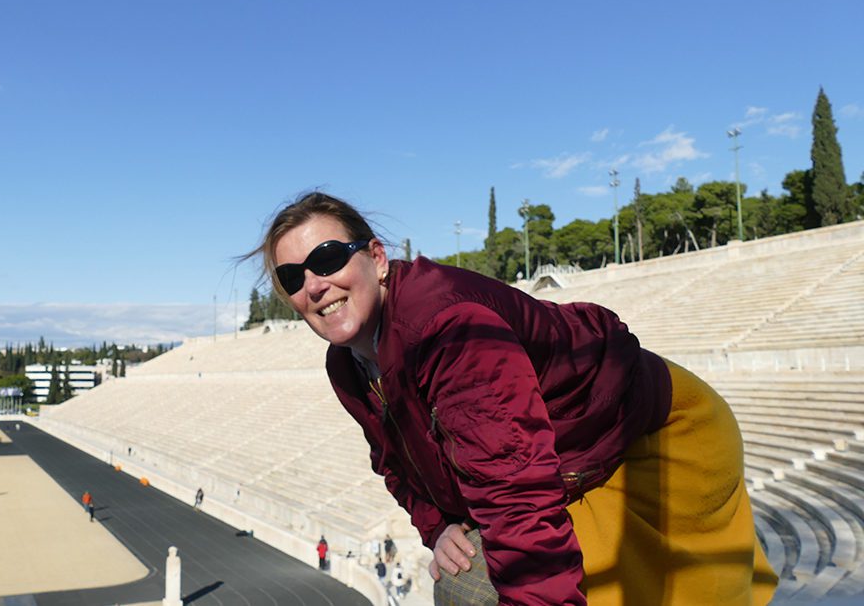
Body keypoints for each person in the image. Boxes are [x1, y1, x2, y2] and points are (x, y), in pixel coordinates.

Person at [254, 192, 778, 605]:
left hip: (654, 436)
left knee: (481, 590)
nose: (315, 285)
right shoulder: (345, 363)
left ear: (377, 258)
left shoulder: (446, 329)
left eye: (327, 258)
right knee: (468, 577)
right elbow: (394, 460)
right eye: (293, 276)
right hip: (575, 451)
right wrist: (435, 527)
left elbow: (516, 489)